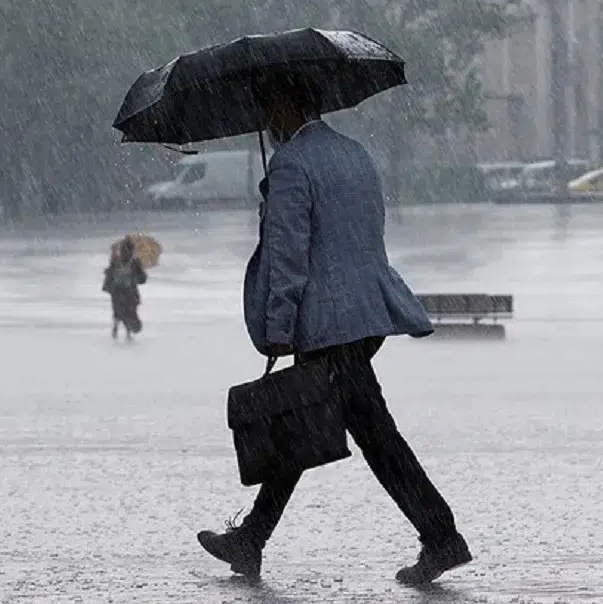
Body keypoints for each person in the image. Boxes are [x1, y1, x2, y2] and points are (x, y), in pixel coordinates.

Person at [196, 73, 471, 585]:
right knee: (304, 424)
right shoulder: (355, 154)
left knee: (370, 435)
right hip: (364, 316)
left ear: (285, 104)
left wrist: (278, 328)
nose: (265, 121)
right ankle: (251, 538)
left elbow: (288, 257)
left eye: (267, 108)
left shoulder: (292, 165)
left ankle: (442, 537)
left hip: (327, 325)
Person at [102, 236, 147, 340]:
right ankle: (128, 332)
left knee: (118, 311)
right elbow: (142, 279)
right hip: (130, 291)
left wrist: (108, 286)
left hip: (117, 291)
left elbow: (109, 274)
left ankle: (117, 327)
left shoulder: (116, 261)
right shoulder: (135, 262)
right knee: (130, 311)